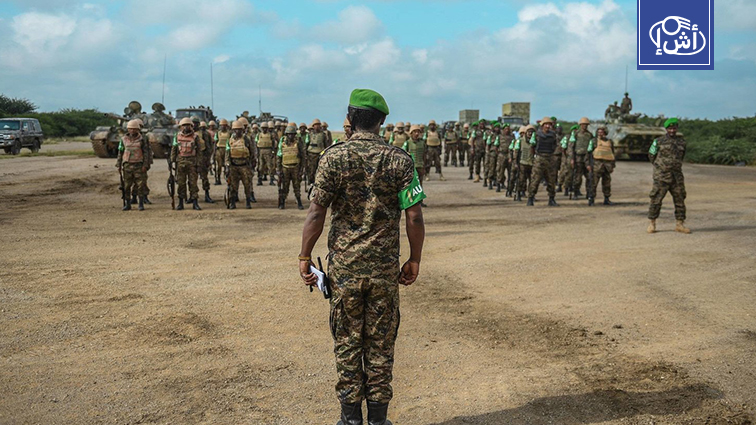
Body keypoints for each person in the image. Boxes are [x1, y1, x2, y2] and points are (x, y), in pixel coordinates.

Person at [299, 89, 425, 425]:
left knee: (347, 341)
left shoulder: (333, 157)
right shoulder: (400, 159)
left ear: (350, 118)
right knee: (381, 346)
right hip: (384, 270)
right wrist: (415, 259)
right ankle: (379, 420)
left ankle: (350, 418)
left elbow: (316, 213)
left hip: (345, 269)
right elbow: (414, 216)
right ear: (382, 121)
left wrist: (304, 256)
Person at [647, 118, 690, 234]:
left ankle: (680, 224)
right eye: (670, 128)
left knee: (680, 200)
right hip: (661, 176)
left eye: (674, 128)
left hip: (677, 176)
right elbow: (651, 155)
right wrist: (660, 167)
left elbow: (681, 156)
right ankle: (652, 224)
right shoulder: (658, 141)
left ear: (677, 129)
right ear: (666, 129)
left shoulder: (682, 142)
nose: (672, 130)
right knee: (656, 199)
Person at [116, 119, 150, 211]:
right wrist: (118, 165)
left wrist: (145, 165)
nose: (132, 131)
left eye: (134, 129)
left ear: (138, 129)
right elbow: (120, 152)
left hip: (138, 164)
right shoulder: (123, 139)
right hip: (127, 165)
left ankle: (141, 203)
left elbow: (146, 152)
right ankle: (128, 203)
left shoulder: (142, 139)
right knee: (126, 186)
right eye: (130, 129)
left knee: (140, 185)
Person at [170, 117, 203, 210]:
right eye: (184, 125)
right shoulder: (177, 136)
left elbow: (199, 151)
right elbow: (174, 149)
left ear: (191, 126)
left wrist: (199, 164)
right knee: (181, 183)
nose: (186, 127)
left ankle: (195, 202)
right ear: (180, 127)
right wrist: (172, 161)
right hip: (180, 162)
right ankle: (181, 203)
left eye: (188, 125)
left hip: (192, 162)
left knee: (193, 183)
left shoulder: (195, 137)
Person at [527, 117, 559, 207]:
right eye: (546, 124)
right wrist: (534, 157)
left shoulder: (553, 135)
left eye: (549, 124)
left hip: (550, 158)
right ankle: (530, 198)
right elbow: (532, 147)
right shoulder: (537, 135)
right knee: (535, 179)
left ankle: (551, 199)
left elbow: (555, 145)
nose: (548, 126)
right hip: (540, 158)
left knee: (551, 180)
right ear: (542, 125)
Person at [225, 120, 257, 209]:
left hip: (244, 165)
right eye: (235, 130)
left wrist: (252, 162)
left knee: (247, 184)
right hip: (234, 165)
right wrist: (227, 166)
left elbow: (252, 151)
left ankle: (248, 201)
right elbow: (227, 154)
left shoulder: (246, 139)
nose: (237, 132)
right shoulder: (230, 140)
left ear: (242, 130)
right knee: (233, 186)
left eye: (239, 130)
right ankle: (232, 202)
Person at [276, 123, 306, 210]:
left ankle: (299, 202)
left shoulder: (298, 142)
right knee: (285, 187)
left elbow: (303, 156)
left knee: (297, 186)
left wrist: (302, 169)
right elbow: (279, 156)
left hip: (295, 167)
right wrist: (278, 169)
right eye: (289, 134)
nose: (291, 136)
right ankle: (282, 203)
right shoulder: (282, 143)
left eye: (292, 134)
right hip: (285, 167)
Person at [590, 126, 616, 205]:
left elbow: (612, 153)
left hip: (607, 165)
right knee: (593, 183)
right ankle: (591, 199)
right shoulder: (594, 141)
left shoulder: (610, 141)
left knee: (607, 183)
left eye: (601, 132)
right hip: (597, 164)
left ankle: (607, 198)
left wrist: (613, 165)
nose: (600, 134)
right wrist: (589, 164)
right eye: (599, 132)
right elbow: (589, 152)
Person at [403, 124, 428, 207]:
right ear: (411, 133)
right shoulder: (407, 143)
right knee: (410, 185)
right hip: (411, 167)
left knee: (420, 185)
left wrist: (424, 166)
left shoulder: (422, 143)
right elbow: (404, 154)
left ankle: (420, 201)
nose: (417, 134)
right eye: (415, 132)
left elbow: (424, 155)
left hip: (420, 166)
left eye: (418, 132)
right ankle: (411, 202)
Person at [570, 117, 593, 199]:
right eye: (583, 124)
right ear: (580, 125)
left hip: (587, 158)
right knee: (577, 177)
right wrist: (572, 159)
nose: (585, 126)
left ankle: (589, 193)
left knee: (589, 177)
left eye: (586, 125)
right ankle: (576, 192)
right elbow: (571, 147)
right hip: (578, 157)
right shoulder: (576, 134)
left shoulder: (589, 135)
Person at [514, 125, 535, 202]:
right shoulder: (520, 141)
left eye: (532, 132)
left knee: (532, 180)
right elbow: (516, 152)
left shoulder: (534, 142)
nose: (530, 134)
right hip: (522, 162)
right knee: (521, 179)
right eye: (529, 132)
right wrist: (516, 162)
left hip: (531, 163)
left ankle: (531, 195)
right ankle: (518, 193)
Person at [305, 119, 328, 186]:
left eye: (318, 125)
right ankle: (311, 182)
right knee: (312, 169)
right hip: (311, 153)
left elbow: (325, 144)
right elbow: (306, 144)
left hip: (320, 153)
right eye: (316, 125)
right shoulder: (310, 134)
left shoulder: (323, 134)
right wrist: (305, 154)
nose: (317, 126)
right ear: (313, 126)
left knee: (321, 169)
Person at [558, 125, 578, 195]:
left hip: (575, 157)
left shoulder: (578, 138)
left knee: (574, 174)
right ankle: (562, 186)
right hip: (567, 158)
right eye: (575, 130)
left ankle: (572, 187)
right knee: (565, 172)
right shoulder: (567, 137)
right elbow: (562, 147)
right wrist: (565, 156)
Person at [496, 124, 513, 193]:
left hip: (509, 155)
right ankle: (499, 185)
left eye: (508, 129)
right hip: (501, 155)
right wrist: (499, 154)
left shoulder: (512, 136)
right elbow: (496, 146)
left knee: (510, 172)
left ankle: (509, 186)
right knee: (500, 171)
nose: (507, 130)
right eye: (505, 129)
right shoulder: (499, 137)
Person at [214, 119, 231, 185]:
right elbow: (215, 143)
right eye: (222, 126)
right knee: (219, 166)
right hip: (219, 150)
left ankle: (227, 179)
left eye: (224, 126)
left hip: (227, 150)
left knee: (227, 165)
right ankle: (218, 179)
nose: (223, 127)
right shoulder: (217, 133)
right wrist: (214, 152)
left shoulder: (229, 133)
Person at [485, 123, 501, 189]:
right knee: (491, 168)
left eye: (498, 127)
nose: (497, 129)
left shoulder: (501, 136)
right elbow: (488, 145)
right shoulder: (491, 136)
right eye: (496, 127)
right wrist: (488, 153)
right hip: (492, 154)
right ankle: (490, 182)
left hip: (500, 154)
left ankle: (499, 182)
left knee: (499, 169)